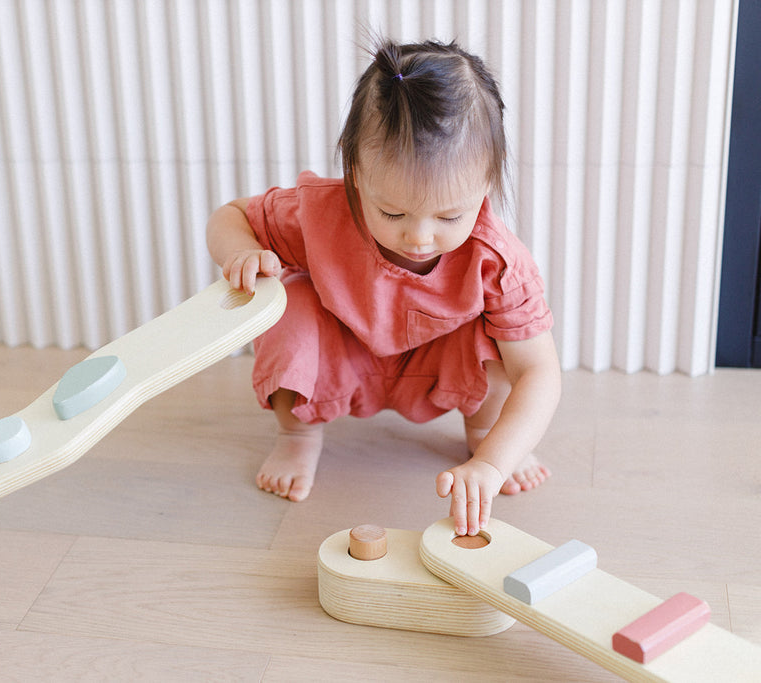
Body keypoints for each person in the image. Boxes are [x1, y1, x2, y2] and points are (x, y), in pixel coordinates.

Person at [206, 38, 561, 536]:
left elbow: (539, 373)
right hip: (345, 352)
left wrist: (496, 462)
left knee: (500, 350)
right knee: (287, 304)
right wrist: (240, 254)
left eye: (449, 215)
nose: (419, 236)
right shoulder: (321, 213)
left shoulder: (497, 261)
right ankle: (298, 436)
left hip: (439, 364)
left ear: (485, 186)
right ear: (355, 176)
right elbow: (231, 216)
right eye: (392, 213)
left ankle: (487, 437)